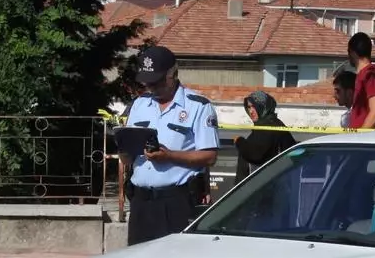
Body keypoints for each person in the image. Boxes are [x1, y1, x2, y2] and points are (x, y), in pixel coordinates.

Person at [121, 45, 220, 245]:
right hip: (141, 201)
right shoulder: (139, 105)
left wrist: (169, 156)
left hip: (175, 201)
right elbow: (128, 152)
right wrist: (124, 149)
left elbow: (209, 156)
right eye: (147, 83)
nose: (151, 88)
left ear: (172, 74)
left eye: (156, 83)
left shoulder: (198, 106)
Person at [233, 90, 295, 185]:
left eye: (254, 106)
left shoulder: (268, 126)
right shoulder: (272, 124)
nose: (251, 111)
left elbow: (255, 154)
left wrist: (239, 141)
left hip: (262, 188)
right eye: (249, 107)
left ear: (263, 106)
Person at [347, 33, 375, 130]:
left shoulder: (371, 74)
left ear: (353, 53)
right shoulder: (363, 75)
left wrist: (359, 138)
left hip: (365, 141)